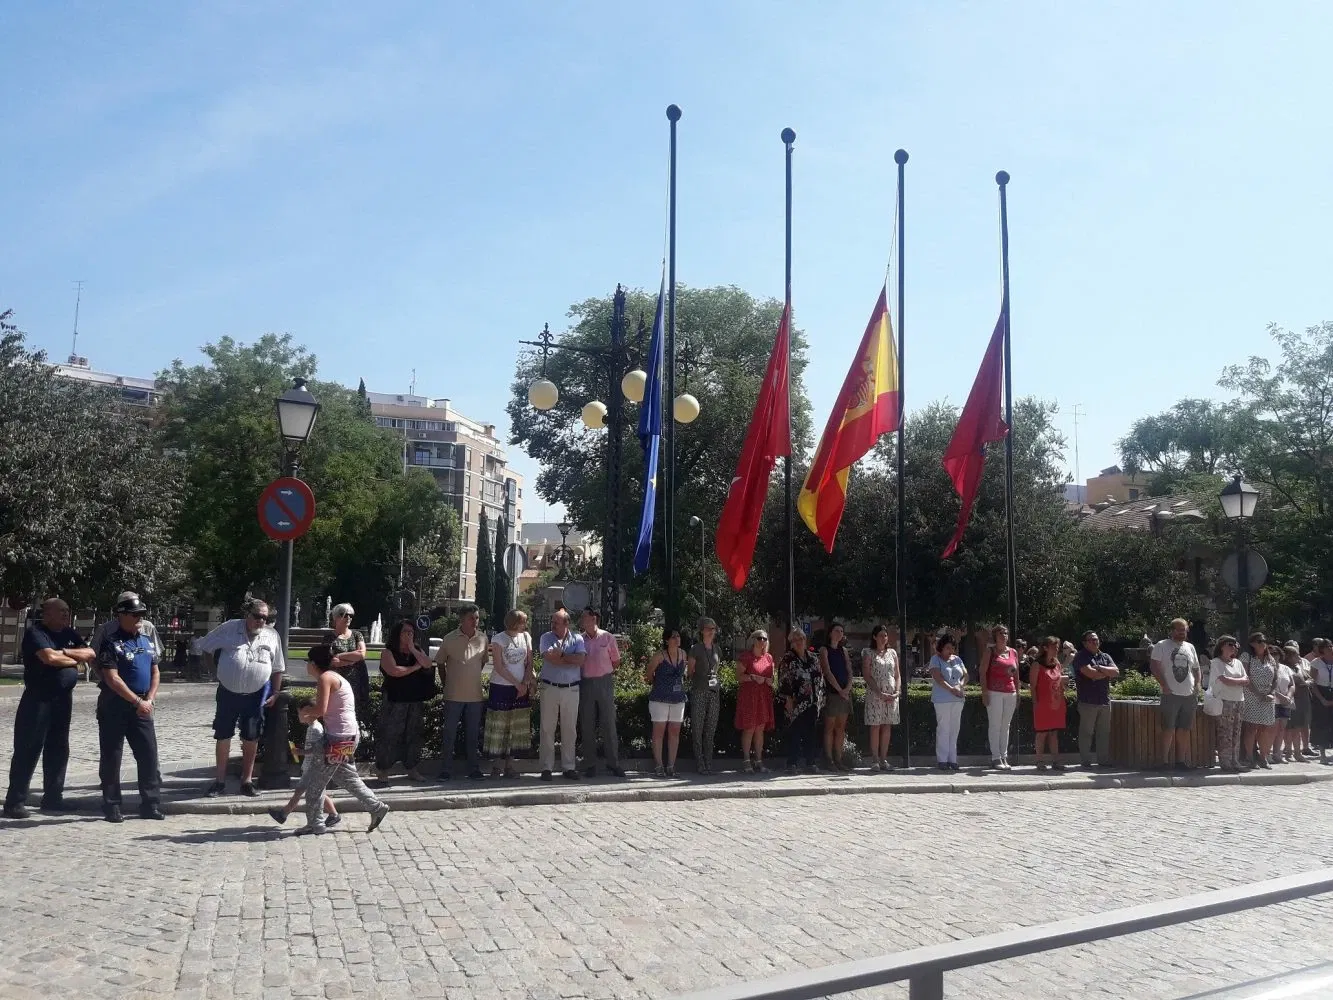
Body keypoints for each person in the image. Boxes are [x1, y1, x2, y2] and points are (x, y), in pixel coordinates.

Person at [3, 598, 96, 819]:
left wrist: (65, 653)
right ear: (48, 614)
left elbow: (90, 654)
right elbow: (49, 658)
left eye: (67, 611)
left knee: (59, 748)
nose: (66, 615)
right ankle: (15, 802)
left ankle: (53, 798)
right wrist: (74, 660)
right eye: (62, 611)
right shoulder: (36, 633)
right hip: (38, 700)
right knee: (28, 749)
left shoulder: (68, 633)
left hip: (63, 700)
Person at [289, 645, 389, 834]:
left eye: (308, 662)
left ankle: (315, 824)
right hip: (348, 736)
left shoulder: (325, 678)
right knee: (348, 778)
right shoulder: (336, 677)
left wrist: (305, 712)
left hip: (338, 738)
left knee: (315, 784)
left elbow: (320, 710)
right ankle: (377, 807)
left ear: (313, 663)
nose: (307, 666)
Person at [195, 598, 285, 797]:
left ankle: (247, 780)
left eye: (265, 617)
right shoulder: (229, 628)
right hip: (228, 693)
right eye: (257, 617)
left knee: (251, 737)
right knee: (223, 735)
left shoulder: (272, 636)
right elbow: (207, 647)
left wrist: (276, 693)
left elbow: (278, 668)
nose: (261, 621)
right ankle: (219, 781)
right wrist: (214, 672)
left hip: (256, 695)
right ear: (248, 615)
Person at [94, 595, 164, 823]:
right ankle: (112, 805)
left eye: (142, 615)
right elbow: (112, 678)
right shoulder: (111, 642)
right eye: (135, 615)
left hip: (143, 705)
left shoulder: (146, 641)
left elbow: (155, 672)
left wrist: (150, 699)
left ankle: (151, 803)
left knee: (148, 755)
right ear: (121, 615)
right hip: (115, 704)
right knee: (112, 756)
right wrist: (136, 701)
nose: (140, 619)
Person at [375, 620, 436, 783]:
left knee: (413, 735)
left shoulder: (416, 649)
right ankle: (383, 771)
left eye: (412, 632)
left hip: (414, 700)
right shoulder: (388, 652)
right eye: (406, 632)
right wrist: (415, 668)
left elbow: (428, 664)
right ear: (398, 634)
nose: (410, 635)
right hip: (395, 700)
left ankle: (412, 768)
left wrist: (412, 650)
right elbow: (394, 671)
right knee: (390, 735)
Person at [435, 604, 488, 781]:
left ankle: (473, 769)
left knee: (473, 734)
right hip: (453, 695)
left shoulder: (483, 638)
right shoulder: (449, 638)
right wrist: (446, 683)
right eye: (471, 618)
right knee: (449, 733)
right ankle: (445, 769)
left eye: (477, 617)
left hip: (475, 696)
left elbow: (482, 662)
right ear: (462, 619)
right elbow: (440, 663)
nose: (475, 621)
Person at [267, 708, 339, 828]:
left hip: (313, 766)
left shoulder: (315, 729)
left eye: (299, 713)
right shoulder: (313, 727)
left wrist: (299, 752)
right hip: (311, 766)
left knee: (302, 790)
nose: (298, 716)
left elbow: (316, 750)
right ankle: (334, 814)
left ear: (307, 714)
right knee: (317, 791)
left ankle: (284, 814)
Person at [537, 609, 584, 781]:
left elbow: (581, 660)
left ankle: (569, 767)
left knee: (569, 729)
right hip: (550, 687)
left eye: (556, 622)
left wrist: (563, 655)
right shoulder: (545, 637)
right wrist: (570, 659)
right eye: (552, 622)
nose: (553, 625)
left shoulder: (577, 638)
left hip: (571, 689)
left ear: (566, 623)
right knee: (547, 728)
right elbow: (549, 658)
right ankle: (546, 767)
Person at [579, 607, 625, 778]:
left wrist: (603, 671)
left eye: (585, 617)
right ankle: (590, 764)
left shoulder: (608, 637)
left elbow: (616, 661)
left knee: (609, 723)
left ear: (594, 618)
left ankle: (614, 763)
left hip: (605, 681)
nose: (582, 619)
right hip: (586, 683)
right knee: (587, 724)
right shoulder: (579, 639)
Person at [487, 609, 534, 778]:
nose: (525, 625)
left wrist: (525, 683)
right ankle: (496, 766)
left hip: (521, 687)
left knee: (515, 726)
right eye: (523, 621)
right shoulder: (498, 639)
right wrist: (516, 684)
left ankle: (510, 765)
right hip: (501, 686)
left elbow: (529, 662)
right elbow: (499, 667)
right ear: (515, 622)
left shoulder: (526, 637)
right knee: (500, 726)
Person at [1149, 617, 1201, 771]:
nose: (1181, 633)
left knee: (1184, 728)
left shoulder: (1190, 647)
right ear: (1172, 631)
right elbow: (1154, 666)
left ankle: (1181, 761)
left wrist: (1197, 685)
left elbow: (1196, 669)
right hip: (1170, 693)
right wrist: (1164, 685)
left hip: (1189, 694)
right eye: (1178, 630)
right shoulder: (1161, 645)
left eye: (1184, 630)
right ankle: (1163, 762)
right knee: (1168, 728)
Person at [89, 591, 163, 683]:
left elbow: (156, 658)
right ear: (121, 612)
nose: (139, 616)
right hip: (114, 690)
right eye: (134, 612)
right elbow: (92, 657)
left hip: (143, 690)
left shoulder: (148, 627)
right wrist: (105, 680)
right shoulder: (105, 630)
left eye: (141, 612)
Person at [1072, 631, 1119, 769]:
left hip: (1104, 700)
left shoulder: (1105, 656)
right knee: (1086, 732)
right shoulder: (1081, 656)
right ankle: (1085, 761)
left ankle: (1103, 760)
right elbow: (1090, 673)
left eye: (1096, 639)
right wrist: (1105, 673)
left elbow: (1116, 672)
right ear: (1085, 643)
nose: (1095, 642)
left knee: (1104, 733)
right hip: (1087, 701)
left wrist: (1100, 668)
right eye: (1091, 640)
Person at [645, 628, 688, 777]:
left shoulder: (683, 654)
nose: (677, 639)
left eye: (678, 636)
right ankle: (659, 765)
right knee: (659, 731)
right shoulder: (660, 656)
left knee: (675, 731)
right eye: (673, 637)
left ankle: (671, 765)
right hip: (660, 698)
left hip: (678, 698)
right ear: (666, 640)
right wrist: (657, 683)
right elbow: (649, 673)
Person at [779, 629, 823, 772]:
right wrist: (788, 699)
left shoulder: (813, 658)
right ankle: (792, 763)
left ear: (805, 640)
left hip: (812, 701)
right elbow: (784, 680)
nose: (799, 642)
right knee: (795, 733)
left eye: (801, 639)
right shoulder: (788, 659)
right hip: (796, 702)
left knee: (811, 733)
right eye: (795, 640)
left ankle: (810, 763)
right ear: (791, 643)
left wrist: (820, 699)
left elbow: (819, 678)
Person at [979, 625, 1020, 770]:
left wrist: (1018, 692)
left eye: (1006, 633)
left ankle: (1004, 756)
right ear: (995, 636)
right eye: (1001, 633)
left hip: (1010, 692)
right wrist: (984, 693)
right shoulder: (990, 651)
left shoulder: (1013, 652)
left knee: (1006, 726)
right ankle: (995, 757)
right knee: (995, 725)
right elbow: (982, 672)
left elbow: (1016, 674)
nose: (1004, 636)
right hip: (994, 692)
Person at [734, 629, 775, 772]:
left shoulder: (768, 658)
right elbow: (738, 677)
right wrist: (751, 677)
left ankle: (759, 761)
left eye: (764, 639)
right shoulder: (746, 657)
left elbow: (772, 678)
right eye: (759, 638)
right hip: (749, 697)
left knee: (760, 729)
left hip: (763, 697)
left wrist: (770, 681)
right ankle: (746, 760)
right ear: (753, 639)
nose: (762, 641)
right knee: (749, 728)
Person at [862, 624, 900, 772]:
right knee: (875, 726)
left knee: (887, 725)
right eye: (881, 635)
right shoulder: (868, 653)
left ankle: (884, 759)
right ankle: (875, 760)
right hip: (875, 695)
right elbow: (867, 675)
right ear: (874, 637)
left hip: (891, 695)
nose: (884, 638)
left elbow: (897, 674)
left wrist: (897, 691)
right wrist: (878, 692)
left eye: (885, 635)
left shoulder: (892, 653)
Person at [687, 618, 722, 775]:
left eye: (713, 628)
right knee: (698, 727)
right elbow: (690, 672)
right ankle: (699, 763)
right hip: (699, 691)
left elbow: (717, 668)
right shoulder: (695, 649)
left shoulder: (717, 649)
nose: (711, 631)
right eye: (708, 628)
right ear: (702, 631)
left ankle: (709, 762)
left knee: (711, 729)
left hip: (714, 693)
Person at [1209, 637, 1249, 772]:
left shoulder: (1237, 662)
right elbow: (1224, 679)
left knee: (1236, 732)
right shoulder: (1216, 662)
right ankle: (1225, 762)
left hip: (1239, 700)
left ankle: (1235, 761)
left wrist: (1236, 681)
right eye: (1230, 644)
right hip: (1224, 701)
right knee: (1225, 732)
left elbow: (1246, 679)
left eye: (1235, 645)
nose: (1234, 647)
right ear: (1221, 646)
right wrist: (1239, 681)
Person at [328, 603, 369, 731]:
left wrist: (340, 655)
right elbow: (331, 660)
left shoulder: (357, 635)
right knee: (341, 714)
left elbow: (362, 654)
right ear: (335, 617)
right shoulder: (329, 637)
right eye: (344, 615)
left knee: (358, 715)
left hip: (357, 681)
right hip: (338, 682)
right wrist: (352, 660)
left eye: (351, 615)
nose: (348, 618)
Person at [1240, 632, 1278, 769]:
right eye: (1259, 641)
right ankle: (1249, 757)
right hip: (1252, 695)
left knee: (1266, 728)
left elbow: (1276, 678)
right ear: (1252, 643)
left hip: (1268, 697)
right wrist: (1257, 693)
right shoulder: (1247, 657)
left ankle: (1263, 757)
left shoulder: (1270, 659)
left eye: (1264, 640)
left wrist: (1270, 692)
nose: (1262, 643)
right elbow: (1245, 676)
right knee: (1251, 728)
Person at [819, 622, 854, 772]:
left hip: (844, 694)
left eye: (841, 631)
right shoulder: (824, 650)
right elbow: (827, 671)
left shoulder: (843, 650)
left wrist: (847, 688)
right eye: (836, 630)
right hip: (832, 693)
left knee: (841, 728)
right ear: (830, 633)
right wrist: (839, 690)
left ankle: (839, 759)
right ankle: (829, 759)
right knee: (829, 727)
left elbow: (849, 670)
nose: (839, 633)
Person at [929, 635, 966, 771]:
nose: (950, 650)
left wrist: (960, 686)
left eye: (952, 648)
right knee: (944, 728)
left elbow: (965, 675)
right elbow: (938, 678)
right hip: (942, 699)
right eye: (947, 648)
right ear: (942, 648)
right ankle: (942, 759)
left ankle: (953, 759)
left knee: (954, 729)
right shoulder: (935, 659)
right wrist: (952, 689)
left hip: (958, 698)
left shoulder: (957, 659)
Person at [1030, 637, 1068, 772]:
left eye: (1057, 646)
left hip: (1056, 703)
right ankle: (1039, 761)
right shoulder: (1036, 664)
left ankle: (1056, 761)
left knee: (1053, 733)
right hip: (1042, 703)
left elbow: (1059, 681)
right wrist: (1035, 703)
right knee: (1042, 733)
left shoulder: (1057, 663)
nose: (1057, 648)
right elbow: (1033, 686)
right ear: (1045, 648)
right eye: (1054, 646)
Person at [1287, 642, 1314, 762]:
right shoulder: (1285, 668)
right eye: (1296, 655)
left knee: (1299, 727)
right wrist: (1305, 683)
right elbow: (1295, 681)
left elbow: (1308, 677)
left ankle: (1298, 753)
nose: (1299, 658)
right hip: (1293, 699)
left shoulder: (1298, 666)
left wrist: (1306, 681)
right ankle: (1289, 752)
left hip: (1303, 699)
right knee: (1290, 728)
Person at [1272, 642, 1298, 764]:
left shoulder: (1285, 668)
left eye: (1276, 653)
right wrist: (1280, 696)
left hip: (1285, 702)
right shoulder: (1267, 667)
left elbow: (1292, 684)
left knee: (1282, 728)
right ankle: (1267, 753)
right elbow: (1268, 686)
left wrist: (1288, 696)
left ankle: (1277, 754)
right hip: (1273, 701)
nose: (1274, 656)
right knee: (1273, 728)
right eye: (1271, 654)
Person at [1310, 639, 1333, 765]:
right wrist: (1322, 699)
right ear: (1322, 649)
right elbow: (1312, 683)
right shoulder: (1316, 662)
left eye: (1331, 646)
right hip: (1321, 692)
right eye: (1327, 646)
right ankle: (1322, 753)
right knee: (1322, 723)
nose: (1330, 648)